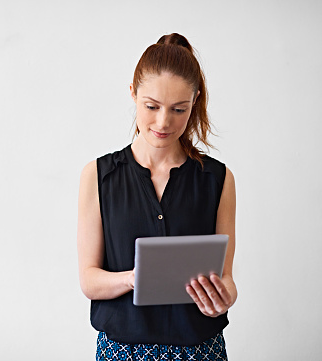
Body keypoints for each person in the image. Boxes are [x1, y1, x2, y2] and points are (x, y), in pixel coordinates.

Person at [77, 33, 237, 361]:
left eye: (179, 109)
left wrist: (223, 298)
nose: (164, 122)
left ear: (195, 102)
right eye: (152, 106)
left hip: (200, 350)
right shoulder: (97, 175)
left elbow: (227, 279)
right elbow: (89, 280)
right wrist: (138, 279)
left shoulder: (218, 179)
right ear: (133, 94)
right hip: (122, 352)